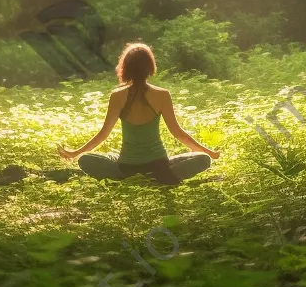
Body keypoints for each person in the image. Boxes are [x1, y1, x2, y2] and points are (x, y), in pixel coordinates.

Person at [57, 42, 220, 186]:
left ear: (125, 68)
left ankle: (126, 178)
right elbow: (177, 132)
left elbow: (103, 134)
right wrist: (209, 152)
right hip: (159, 165)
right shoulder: (162, 94)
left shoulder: (117, 96)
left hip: (127, 166)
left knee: (85, 159)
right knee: (203, 158)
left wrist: (75, 153)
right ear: (150, 67)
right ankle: (160, 178)